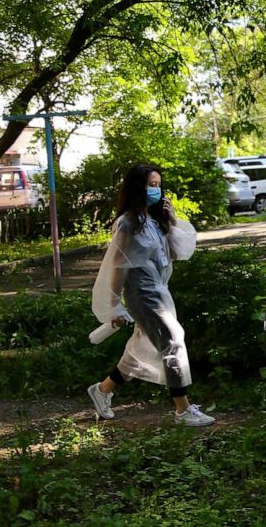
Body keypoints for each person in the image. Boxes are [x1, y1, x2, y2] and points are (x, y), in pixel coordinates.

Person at [87, 164, 215, 426]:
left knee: (140, 349)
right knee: (173, 340)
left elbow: (179, 254)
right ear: (137, 188)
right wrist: (115, 307)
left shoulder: (155, 222)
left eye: (158, 185)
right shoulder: (127, 224)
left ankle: (102, 390)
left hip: (160, 291)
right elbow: (118, 266)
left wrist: (172, 220)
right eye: (151, 185)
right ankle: (182, 410)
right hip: (142, 294)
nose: (156, 190)